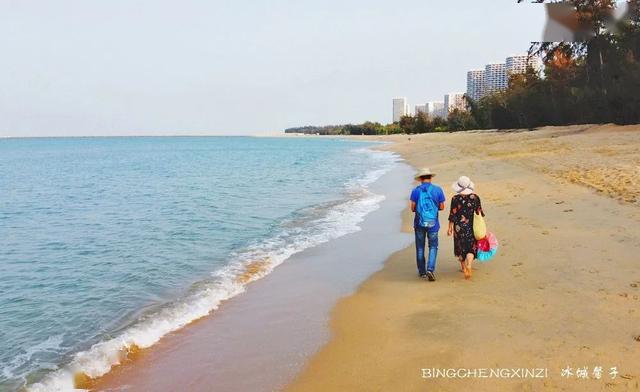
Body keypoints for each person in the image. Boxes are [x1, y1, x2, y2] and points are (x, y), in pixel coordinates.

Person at [410, 168, 446, 281]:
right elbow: (442, 207)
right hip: (433, 223)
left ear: (420, 179)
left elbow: (412, 208)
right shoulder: (438, 189)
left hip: (419, 223)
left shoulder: (416, 191)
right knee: (433, 246)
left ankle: (422, 272)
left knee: (420, 248)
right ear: (430, 177)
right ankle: (430, 269)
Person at [447, 176, 484, 280]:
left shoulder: (455, 199)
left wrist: (449, 227)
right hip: (472, 227)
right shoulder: (475, 198)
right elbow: (479, 212)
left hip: (458, 228)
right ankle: (469, 265)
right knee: (471, 248)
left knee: (460, 248)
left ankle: (463, 268)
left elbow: (452, 215)